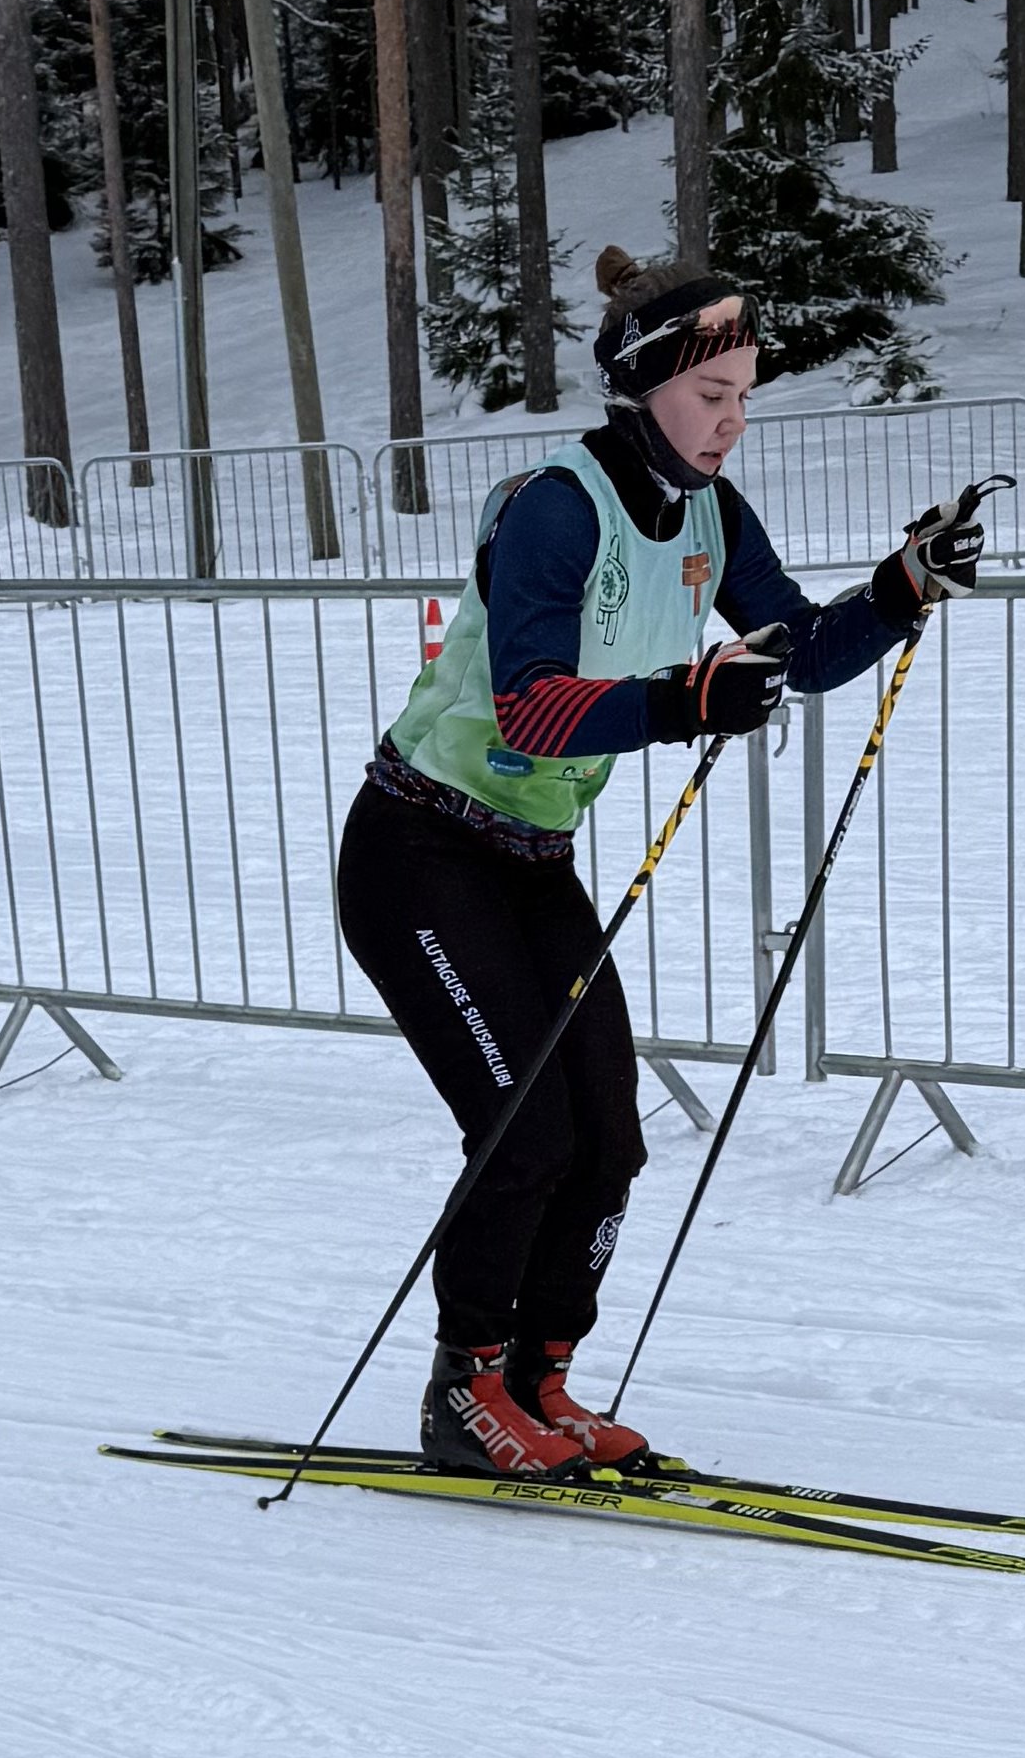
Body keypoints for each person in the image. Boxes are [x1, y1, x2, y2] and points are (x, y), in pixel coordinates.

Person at [335, 245, 988, 1474]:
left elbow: (796, 647)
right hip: (420, 851)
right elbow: (530, 707)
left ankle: (540, 1380)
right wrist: (687, 700)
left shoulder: (710, 515)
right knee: (523, 1134)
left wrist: (904, 588)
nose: (733, 421)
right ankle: (462, 1392)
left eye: (745, 396)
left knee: (609, 1141)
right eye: (711, 395)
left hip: (531, 860)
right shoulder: (554, 507)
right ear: (641, 388)